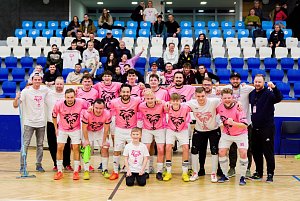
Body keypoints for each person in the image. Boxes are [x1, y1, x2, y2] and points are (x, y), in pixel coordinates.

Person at [13, 72, 49, 173]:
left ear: (41, 80)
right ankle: (22, 165)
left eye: (39, 80)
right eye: (35, 80)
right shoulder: (26, 91)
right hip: (29, 122)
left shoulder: (44, 90)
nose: (37, 81)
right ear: (32, 81)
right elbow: (16, 105)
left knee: (40, 145)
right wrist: (16, 98)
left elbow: (55, 91)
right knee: (25, 144)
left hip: (41, 122)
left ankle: (38, 165)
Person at [249, 74, 283, 182]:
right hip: (255, 128)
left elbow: (279, 98)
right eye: (256, 82)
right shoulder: (252, 93)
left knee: (268, 152)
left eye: (259, 82)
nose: (257, 84)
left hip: (267, 128)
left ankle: (270, 174)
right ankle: (259, 173)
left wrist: (274, 88)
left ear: (263, 82)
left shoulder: (269, 93)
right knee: (256, 152)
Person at [52, 88, 89, 180]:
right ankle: (59, 171)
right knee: (60, 147)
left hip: (76, 128)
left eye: (71, 97)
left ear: (75, 97)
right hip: (62, 128)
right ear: (65, 97)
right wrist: (56, 128)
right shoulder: (59, 104)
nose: (69, 99)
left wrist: (90, 110)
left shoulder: (81, 102)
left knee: (76, 148)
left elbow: (89, 106)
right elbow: (54, 115)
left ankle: (76, 171)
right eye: (68, 97)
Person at [186, 87, 221, 183]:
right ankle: (195, 172)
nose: (201, 98)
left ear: (206, 95)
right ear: (195, 96)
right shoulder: (191, 103)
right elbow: (178, 105)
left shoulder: (214, 101)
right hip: (199, 130)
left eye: (202, 96)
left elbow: (228, 99)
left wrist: (238, 103)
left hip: (213, 130)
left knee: (214, 150)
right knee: (194, 150)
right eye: (198, 96)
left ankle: (213, 173)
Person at [109, 84, 142, 180]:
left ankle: (131, 170)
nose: (125, 93)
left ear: (130, 92)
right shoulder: (114, 102)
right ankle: (115, 171)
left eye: (127, 92)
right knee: (116, 151)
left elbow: (148, 100)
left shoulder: (137, 100)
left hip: (132, 130)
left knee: (132, 151)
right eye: (124, 92)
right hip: (119, 129)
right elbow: (107, 112)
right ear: (120, 92)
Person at [216, 88, 249, 185]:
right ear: (221, 98)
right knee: (221, 152)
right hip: (227, 134)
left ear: (232, 97)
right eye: (225, 98)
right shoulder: (219, 106)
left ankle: (242, 177)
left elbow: (245, 125)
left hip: (241, 134)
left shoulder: (239, 108)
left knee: (243, 153)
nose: (227, 99)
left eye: (229, 97)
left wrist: (233, 123)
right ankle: (224, 175)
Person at [225, 72, 254, 178]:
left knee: (247, 148)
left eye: (237, 79)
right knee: (232, 148)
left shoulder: (246, 88)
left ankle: (247, 169)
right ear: (230, 80)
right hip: (232, 125)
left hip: (245, 124)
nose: (235, 81)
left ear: (240, 80)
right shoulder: (227, 88)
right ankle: (232, 168)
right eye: (233, 79)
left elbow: (258, 86)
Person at [45, 77, 73, 172]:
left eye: (61, 84)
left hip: (64, 124)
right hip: (51, 123)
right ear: (54, 84)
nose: (59, 86)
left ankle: (67, 164)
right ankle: (56, 164)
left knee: (65, 145)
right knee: (52, 145)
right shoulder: (48, 94)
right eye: (57, 84)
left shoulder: (67, 95)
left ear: (63, 84)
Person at [164, 93, 191, 182]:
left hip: (183, 129)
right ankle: (168, 172)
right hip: (171, 129)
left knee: (186, 148)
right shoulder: (167, 107)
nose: (175, 102)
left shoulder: (185, 107)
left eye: (177, 101)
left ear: (180, 101)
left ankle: (185, 172)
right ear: (171, 101)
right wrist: (166, 103)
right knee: (168, 147)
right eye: (173, 101)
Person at [138, 89, 165, 180]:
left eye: (151, 98)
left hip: (159, 128)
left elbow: (168, 105)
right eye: (147, 98)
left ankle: (159, 171)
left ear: (155, 98)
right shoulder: (141, 106)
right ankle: (146, 170)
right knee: (146, 149)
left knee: (161, 149)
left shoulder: (160, 104)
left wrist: (162, 101)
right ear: (144, 99)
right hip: (147, 129)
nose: (150, 100)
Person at [81, 99, 111, 180]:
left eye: (101, 108)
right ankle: (86, 170)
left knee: (105, 147)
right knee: (86, 148)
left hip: (99, 131)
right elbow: (84, 127)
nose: (98, 110)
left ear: (104, 108)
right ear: (93, 107)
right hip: (88, 131)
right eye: (96, 108)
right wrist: (86, 140)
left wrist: (104, 141)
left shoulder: (107, 114)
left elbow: (106, 128)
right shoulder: (87, 113)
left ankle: (104, 169)